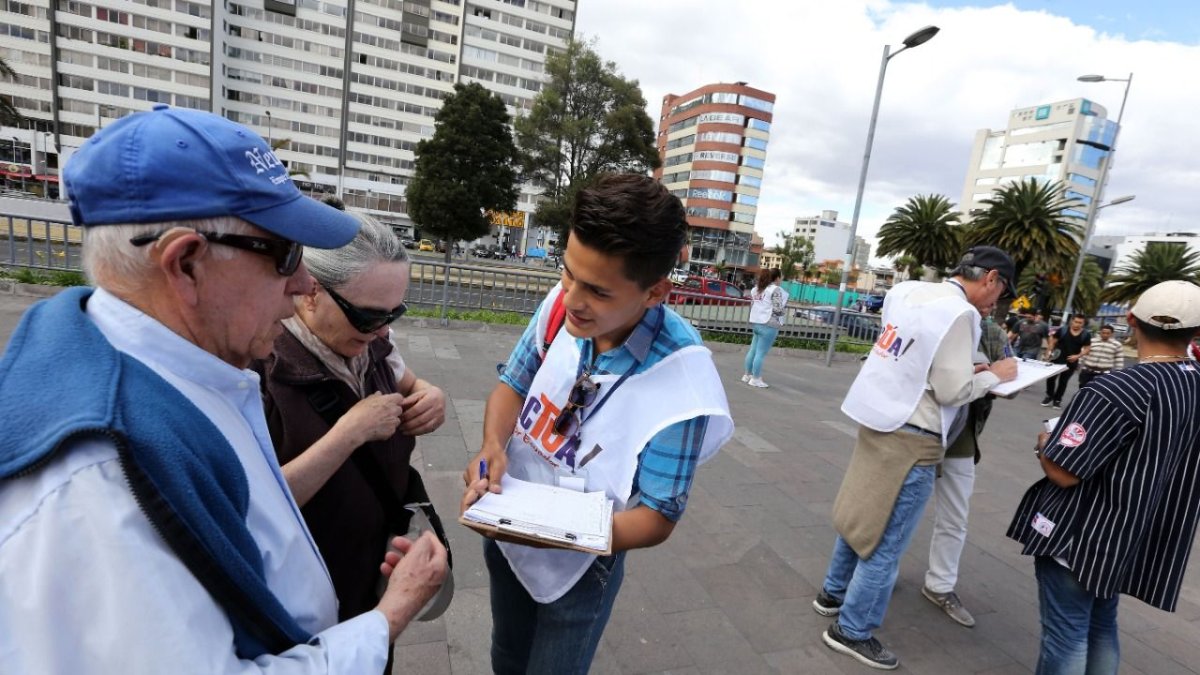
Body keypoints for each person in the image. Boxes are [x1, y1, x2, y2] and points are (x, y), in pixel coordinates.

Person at [0, 106, 446, 672]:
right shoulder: (99, 488)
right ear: (186, 264)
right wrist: (391, 616)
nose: (304, 285)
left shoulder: (188, 370)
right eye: (285, 256)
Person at [459, 173, 734, 674]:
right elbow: (513, 387)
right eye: (568, 274)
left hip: (582, 566)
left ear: (655, 292)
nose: (573, 300)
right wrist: (492, 447)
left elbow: (656, 517)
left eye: (598, 292)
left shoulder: (683, 382)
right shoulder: (561, 305)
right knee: (506, 656)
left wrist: (559, 535)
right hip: (507, 526)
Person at [253, 216, 450, 670]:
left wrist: (431, 396)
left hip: (372, 581)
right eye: (369, 314)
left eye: (393, 313)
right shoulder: (260, 368)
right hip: (302, 611)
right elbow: (251, 509)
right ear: (310, 290)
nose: (383, 329)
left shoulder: (373, 344)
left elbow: (411, 382)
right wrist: (349, 433)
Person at [813, 245, 1019, 670]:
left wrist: (967, 372)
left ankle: (832, 594)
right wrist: (993, 376)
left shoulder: (907, 291)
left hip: (878, 415)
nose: (997, 302)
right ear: (991, 278)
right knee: (887, 542)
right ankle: (852, 631)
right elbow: (951, 392)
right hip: (915, 433)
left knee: (860, 515)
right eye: (1001, 291)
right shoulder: (962, 316)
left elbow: (913, 355)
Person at [1007, 280, 1200, 675]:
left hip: (1086, 535)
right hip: (1135, 534)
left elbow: (1063, 473)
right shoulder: (1192, 381)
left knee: (1068, 635)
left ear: (1131, 320)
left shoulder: (1118, 387)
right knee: (1101, 626)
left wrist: (1046, 440)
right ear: (1195, 333)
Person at [921, 304, 1009, 629]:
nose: (992, 304)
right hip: (919, 428)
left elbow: (1006, 372)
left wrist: (1000, 377)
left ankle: (940, 585)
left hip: (962, 434)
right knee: (891, 508)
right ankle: (864, 578)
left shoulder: (992, 331)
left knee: (955, 516)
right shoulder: (934, 314)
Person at [742, 267, 786, 388]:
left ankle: (747, 375)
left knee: (753, 350)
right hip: (769, 325)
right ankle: (756, 379)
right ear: (776, 278)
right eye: (780, 277)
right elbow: (778, 309)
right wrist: (783, 312)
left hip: (756, 323)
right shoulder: (775, 290)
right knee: (760, 353)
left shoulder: (755, 289)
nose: (781, 279)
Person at [1042, 313, 1091, 409]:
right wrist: (1048, 352)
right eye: (1076, 321)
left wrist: (1077, 356)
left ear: (1083, 324)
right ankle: (1049, 396)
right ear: (1072, 321)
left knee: (1063, 382)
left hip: (1071, 362)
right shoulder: (1063, 330)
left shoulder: (1086, 334)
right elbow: (1053, 342)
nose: (1077, 324)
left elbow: (1087, 348)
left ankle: (1057, 400)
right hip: (1056, 359)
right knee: (1051, 378)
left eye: (1080, 323)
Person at [1077, 323, 1124, 388]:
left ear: (1112, 334)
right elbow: (1083, 353)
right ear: (1100, 332)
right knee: (1082, 389)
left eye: (1108, 333)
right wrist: (1078, 364)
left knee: (1098, 392)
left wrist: (1118, 374)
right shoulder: (1091, 341)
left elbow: (1119, 361)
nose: (1105, 335)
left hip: (1104, 374)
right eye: (1103, 333)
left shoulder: (1117, 345)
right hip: (1087, 372)